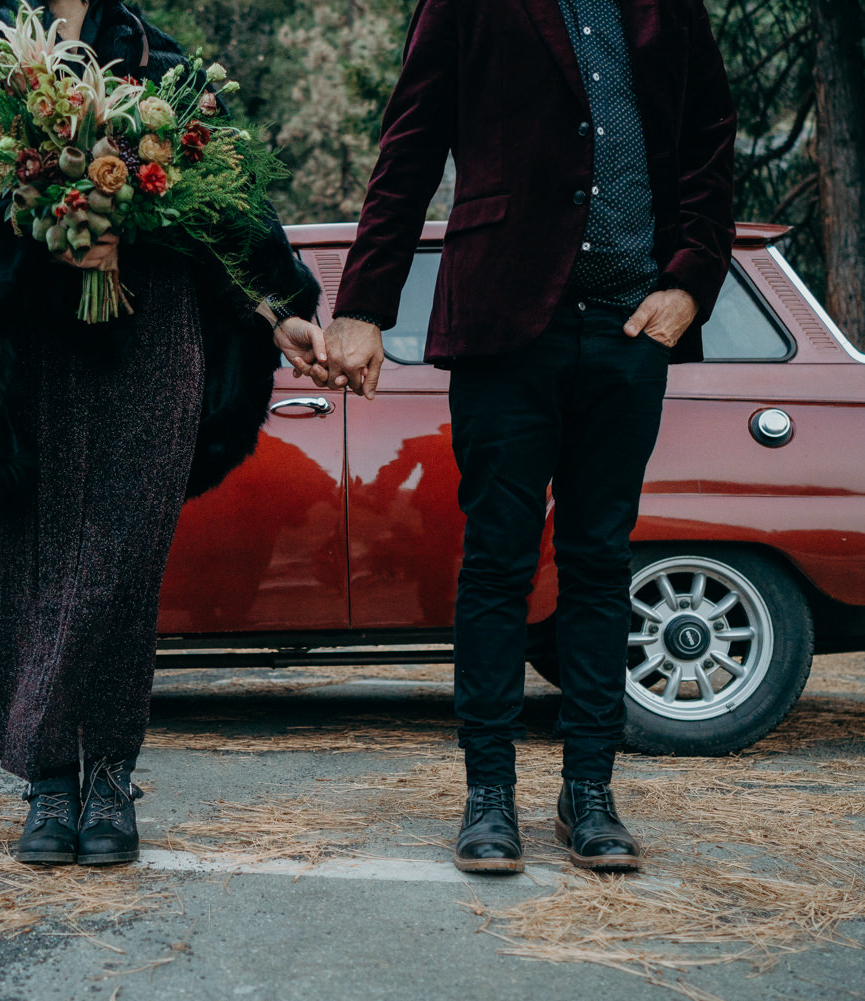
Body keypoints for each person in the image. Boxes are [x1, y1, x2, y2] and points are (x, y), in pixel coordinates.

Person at [0, 0, 326, 866]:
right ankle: (50, 782)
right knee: (36, 558)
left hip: (149, 340)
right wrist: (48, 229)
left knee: (119, 564)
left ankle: (112, 775)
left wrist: (281, 307)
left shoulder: (163, 62)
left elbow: (225, 213)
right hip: (18, 350)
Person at [311, 0, 737, 872]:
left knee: (599, 563)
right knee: (498, 563)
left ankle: (590, 793)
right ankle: (488, 795)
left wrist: (691, 280)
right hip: (507, 322)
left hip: (628, 329)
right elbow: (411, 144)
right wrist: (360, 306)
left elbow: (709, 142)